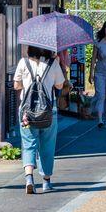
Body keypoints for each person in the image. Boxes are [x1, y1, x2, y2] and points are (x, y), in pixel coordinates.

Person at [14, 46, 65, 194]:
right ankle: (46, 181)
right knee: (47, 144)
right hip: (49, 110)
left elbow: (16, 85)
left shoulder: (23, 62)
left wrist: (29, 82)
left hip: (27, 112)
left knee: (29, 144)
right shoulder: (53, 63)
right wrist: (58, 63)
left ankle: (29, 178)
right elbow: (60, 85)